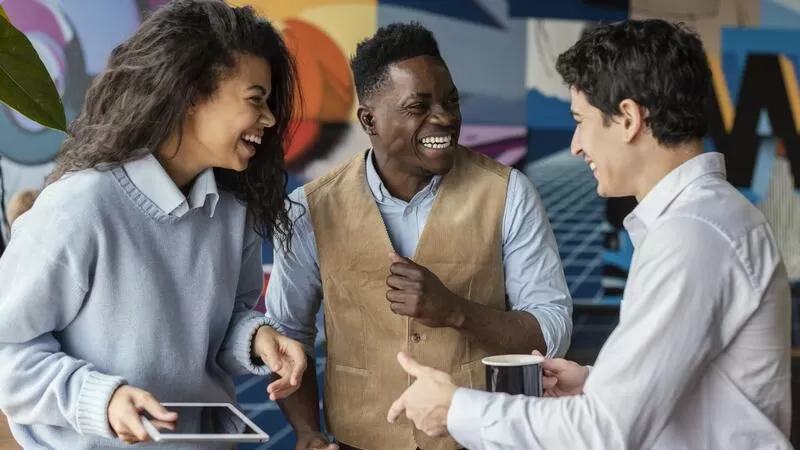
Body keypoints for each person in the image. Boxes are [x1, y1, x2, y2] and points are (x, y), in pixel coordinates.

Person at [387, 19, 792, 450]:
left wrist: (455, 409)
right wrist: (595, 384)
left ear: (629, 119)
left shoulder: (692, 237)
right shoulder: (709, 219)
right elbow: (698, 392)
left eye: (582, 121)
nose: (577, 145)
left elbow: (603, 431)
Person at [0, 1, 309, 448]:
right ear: (191, 93)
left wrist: (258, 338)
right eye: (255, 99)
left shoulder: (231, 211)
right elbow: (7, 349)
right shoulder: (81, 207)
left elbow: (220, 328)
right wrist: (104, 400)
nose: (270, 118)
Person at [264, 22, 572, 450]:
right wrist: (306, 433)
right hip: (357, 441)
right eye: (418, 106)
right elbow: (287, 332)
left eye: (450, 101)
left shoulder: (509, 193)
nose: (443, 118)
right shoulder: (308, 209)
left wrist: (455, 311)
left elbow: (552, 326)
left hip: (478, 440)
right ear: (369, 119)